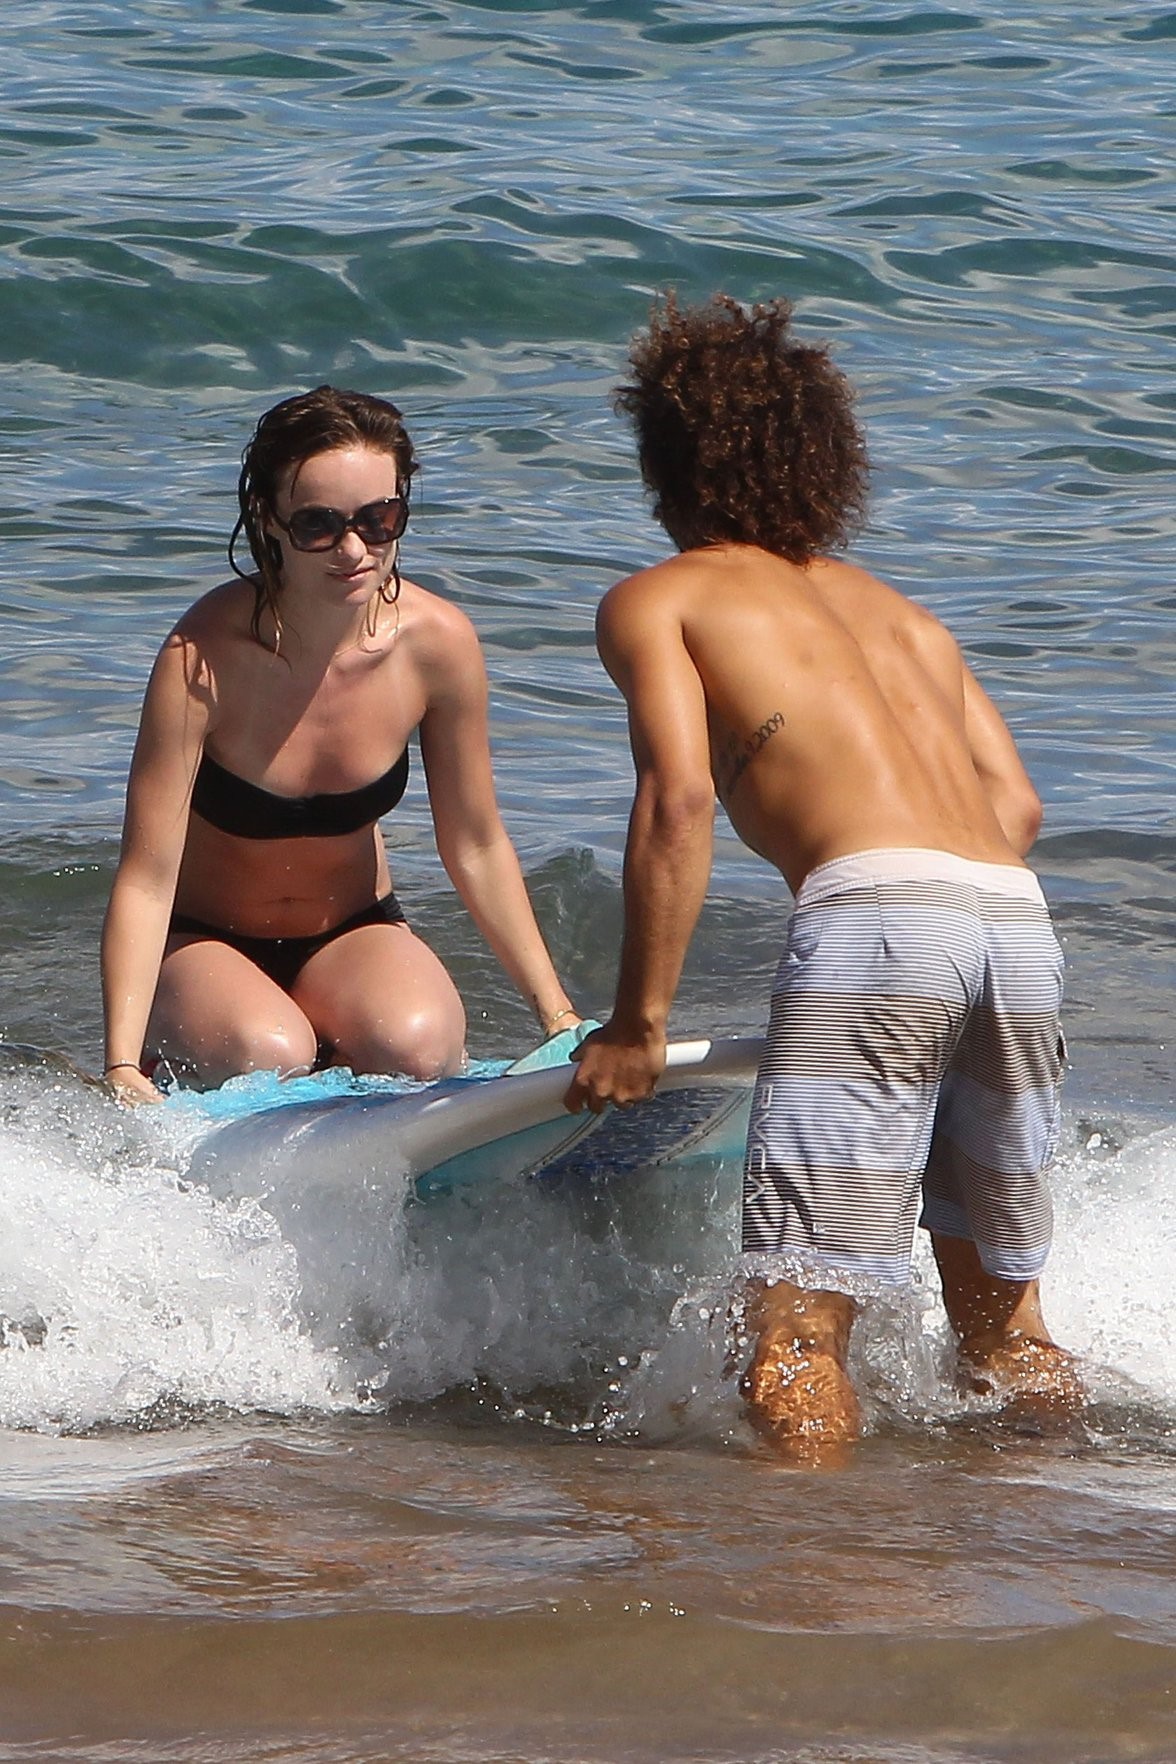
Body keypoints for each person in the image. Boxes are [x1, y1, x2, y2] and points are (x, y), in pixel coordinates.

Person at [565, 293, 1081, 1456]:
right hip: (1012, 921)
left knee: (792, 1340)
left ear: (667, 463)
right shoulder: (906, 618)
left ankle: (819, 1556)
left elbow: (676, 803)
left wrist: (637, 1026)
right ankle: (1051, 1516)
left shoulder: (663, 598)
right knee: (1004, 1327)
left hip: (880, 918)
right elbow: (1019, 806)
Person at [102, 385, 581, 1103]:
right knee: (269, 1054)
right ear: (268, 520)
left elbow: (476, 843)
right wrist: (119, 1064)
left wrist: (557, 1016)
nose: (355, 549)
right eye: (318, 526)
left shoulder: (437, 645)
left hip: (351, 930)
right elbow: (146, 877)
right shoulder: (201, 660)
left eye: (378, 519)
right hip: (204, 939)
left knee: (420, 1048)